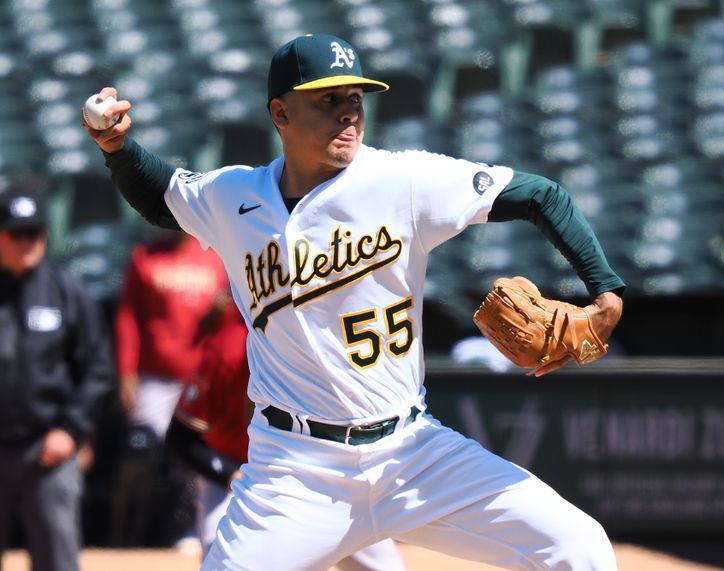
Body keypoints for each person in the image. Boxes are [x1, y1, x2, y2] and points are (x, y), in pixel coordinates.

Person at [84, 33, 625, 570]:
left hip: (412, 453)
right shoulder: (233, 195)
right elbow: (161, 195)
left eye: (355, 99)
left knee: (579, 546)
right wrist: (116, 146)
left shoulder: (404, 180)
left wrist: (605, 291)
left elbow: (540, 195)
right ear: (280, 112)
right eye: (327, 100)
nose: (348, 114)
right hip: (294, 470)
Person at [165, 296, 406, 570]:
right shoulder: (228, 351)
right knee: (221, 557)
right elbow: (181, 438)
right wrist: (230, 474)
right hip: (235, 473)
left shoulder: (329, 350)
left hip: (321, 469)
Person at [0, 185, 114, 571]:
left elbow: (98, 367)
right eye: (17, 233)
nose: (27, 242)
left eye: (34, 233)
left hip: (46, 448)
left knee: (57, 560)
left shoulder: (66, 291)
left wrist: (71, 428)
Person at [110, 228, 228, 548]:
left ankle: (188, 528)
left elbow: (236, 321)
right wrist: (126, 371)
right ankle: (129, 532)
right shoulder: (144, 257)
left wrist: (222, 310)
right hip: (155, 376)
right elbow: (128, 317)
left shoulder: (216, 259)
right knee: (140, 449)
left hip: (200, 380)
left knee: (197, 457)